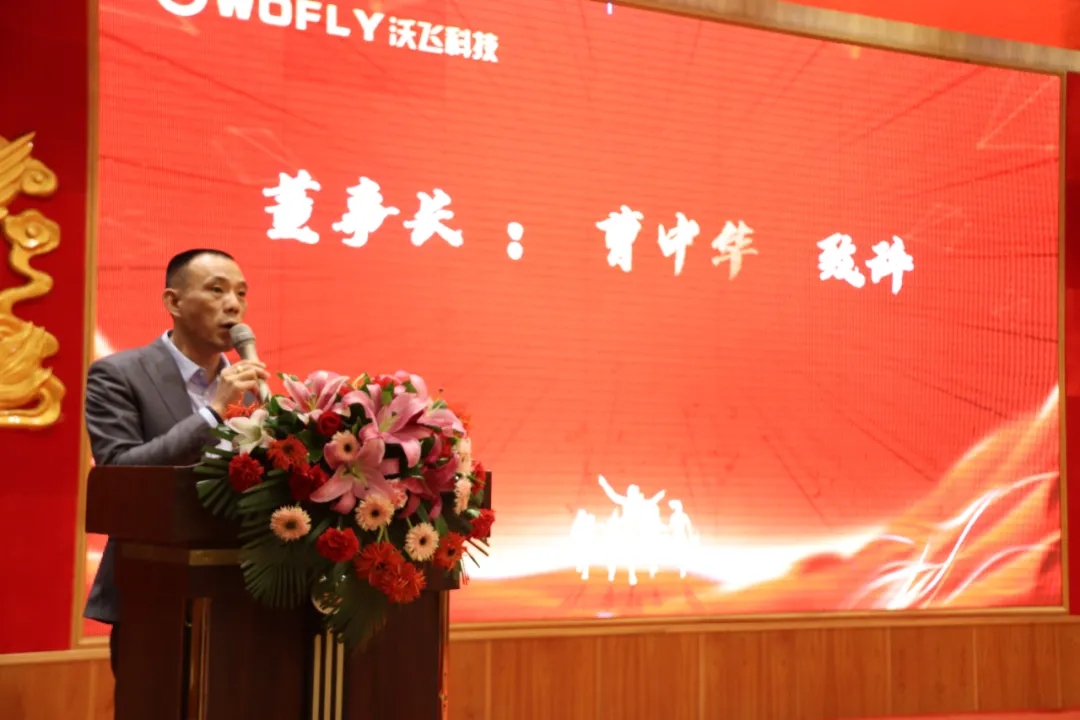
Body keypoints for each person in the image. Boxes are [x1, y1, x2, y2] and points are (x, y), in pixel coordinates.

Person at [83, 248, 269, 679]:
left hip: (241, 594)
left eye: (241, 293)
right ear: (174, 302)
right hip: (151, 591)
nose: (233, 304)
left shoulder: (253, 385)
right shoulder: (119, 374)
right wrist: (214, 413)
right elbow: (119, 471)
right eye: (216, 290)